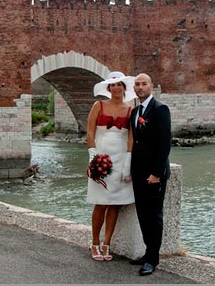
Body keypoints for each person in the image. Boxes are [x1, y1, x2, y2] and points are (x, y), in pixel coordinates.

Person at [86, 71, 137, 262]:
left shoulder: (130, 110)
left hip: (120, 158)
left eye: (119, 85)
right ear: (108, 88)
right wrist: (93, 155)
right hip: (100, 157)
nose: (116, 88)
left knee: (115, 203)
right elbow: (90, 131)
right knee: (101, 202)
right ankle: (94, 243)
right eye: (113, 85)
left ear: (124, 88)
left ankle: (107, 243)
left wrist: (128, 162)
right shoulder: (98, 106)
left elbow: (131, 135)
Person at [129, 73, 172, 275]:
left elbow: (164, 144)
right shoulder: (135, 111)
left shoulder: (160, 109)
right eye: (137, 84)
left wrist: (156, 173)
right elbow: (137, 143)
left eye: (144, 84)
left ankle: (153, 260)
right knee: (143, 214)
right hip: (138, 172)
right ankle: (147, 252)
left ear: (151, 86)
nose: (140, 87)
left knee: (154, 215)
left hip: (154, 174)